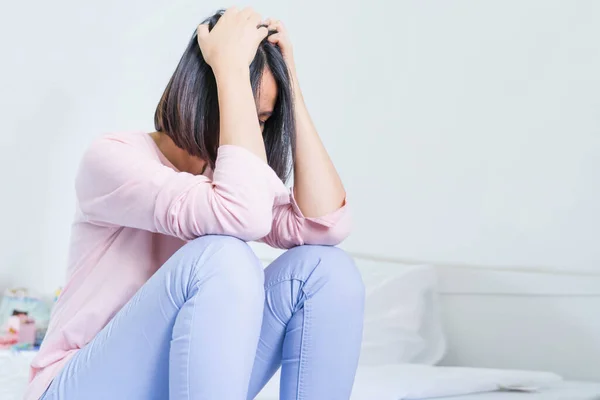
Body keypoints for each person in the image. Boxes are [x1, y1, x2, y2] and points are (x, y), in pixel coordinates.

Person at [27, 7, 364, 400]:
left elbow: (326, 225)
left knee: (328, 269)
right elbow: (243, 215)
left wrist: (293, 88)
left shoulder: (232, 181)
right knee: (223, 255)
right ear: (209, 91)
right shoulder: (112, 158)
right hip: (79, 386)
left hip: (175, 381)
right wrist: (231, 68)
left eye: (263, 119)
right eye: (240, 106)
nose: (251, 129)